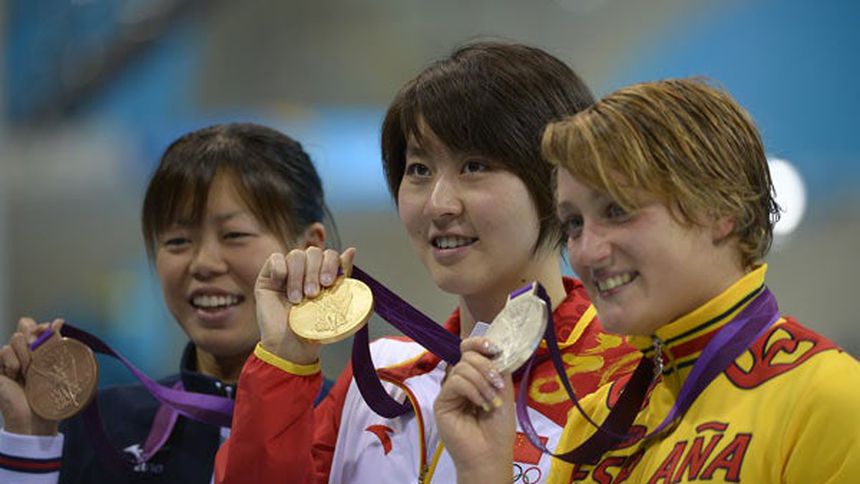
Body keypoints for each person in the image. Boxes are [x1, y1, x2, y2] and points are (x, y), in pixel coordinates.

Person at [214, 42, 641, 484]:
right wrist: (284, 361)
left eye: (474, 166)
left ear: (560, 180)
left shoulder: (630, 378)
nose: (438, 204)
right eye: (419, 169)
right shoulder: (381, 376)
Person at [435, 78, 860, 483]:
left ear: (720, 211)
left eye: (617, 210)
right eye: (574, 223)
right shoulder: (594, 424)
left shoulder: (831, 400)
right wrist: (484, 472)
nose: (586, 252)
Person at [0, 123, 336, 483]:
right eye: (177, 241)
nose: (204, 263)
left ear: (309, 248)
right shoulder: (100, 428)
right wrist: (29, 442)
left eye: (234, 235)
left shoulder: (353, 423)